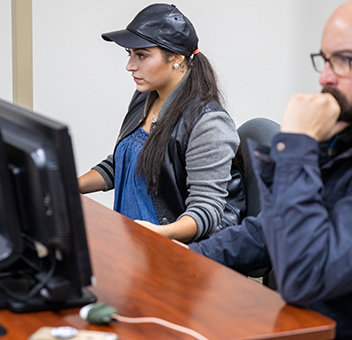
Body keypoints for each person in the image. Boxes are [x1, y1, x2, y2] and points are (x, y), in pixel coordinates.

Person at [186, 0, 352, 337]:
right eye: (325, 60)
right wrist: (187, 258)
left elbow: (305, 276)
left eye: (344, 60)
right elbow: (272, 227)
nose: (325, 78)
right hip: (300, 324)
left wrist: (298, 145)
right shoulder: (350, 133)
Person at [78, 4, 243, 243]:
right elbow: (124, 163)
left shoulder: (208, 123)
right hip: (135, 241)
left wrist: (157, 234)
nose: (130, 66)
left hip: (173, 251)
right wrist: (69, 187)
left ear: (176, 57)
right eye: (130, 54)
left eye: (142, 55)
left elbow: (206, 212)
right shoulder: (144, 96)